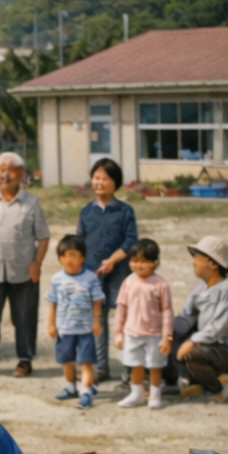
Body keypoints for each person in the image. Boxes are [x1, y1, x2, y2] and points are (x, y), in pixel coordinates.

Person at [0, 152, 50, 378]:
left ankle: (25, 359)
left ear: (21, 174)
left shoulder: (31, 203)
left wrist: (37, 263)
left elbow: (43, 237)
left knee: (24, 317)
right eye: (0, 169)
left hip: (23, 271)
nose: (4, 175)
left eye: (10, 170)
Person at [167, 236, 228, 401]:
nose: (194, 262)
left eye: (198, 258)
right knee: (168, 344)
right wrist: (166, 327)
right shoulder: (202, 285)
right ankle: (198, 381)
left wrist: (191, 342)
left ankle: (222, 383)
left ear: (213, 264)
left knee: (190, 353)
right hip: (210, 343)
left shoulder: (227, 290)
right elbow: (187, 317)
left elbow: (217, 329)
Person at [78, 157, 138, 385]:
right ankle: (101, 367)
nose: (99, 183)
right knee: (97, 322)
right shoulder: (86, 211)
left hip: (120, 273)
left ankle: (131, 369)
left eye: (104, 178)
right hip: (92, 275)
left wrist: (112, 260)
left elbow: (131, 241)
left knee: (125, 320)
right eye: (96, 178)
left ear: (115, 182)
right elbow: (79, 242)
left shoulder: (125, 211)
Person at [114, 238, 174, 410]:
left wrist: (167, 336)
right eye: (134, 261)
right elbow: (121, 307)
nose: (137, 265)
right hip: (132, 332)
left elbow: (167, 311)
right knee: (135, 365)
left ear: (154, 262)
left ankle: (155, 395)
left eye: (143, 261)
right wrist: (118, 332)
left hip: (154, 334)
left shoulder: (161, 284)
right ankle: (137, 393)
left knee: (155, 366)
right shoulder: (128, 282)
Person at [46, 233, 105, 408]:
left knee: (86, 362)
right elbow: (53, 303)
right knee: (67, 361)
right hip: (65, 329)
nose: (68, 260)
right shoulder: (56, 279)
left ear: (82, 258)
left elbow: (96, 301)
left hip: (85, 329)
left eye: (73, 255)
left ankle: (86, 391)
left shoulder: (91, 278)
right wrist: (51, 324)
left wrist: (96, 322)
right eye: (63, 256)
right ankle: (71, 387)